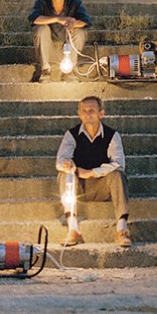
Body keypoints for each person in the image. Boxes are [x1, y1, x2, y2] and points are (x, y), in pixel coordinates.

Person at [56, 96, 132, 248]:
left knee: (117, 174)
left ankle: (121, 229)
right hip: (80, 188)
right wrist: (68, 165)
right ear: (79, 114)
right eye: (84, 111)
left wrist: (92, 172)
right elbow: (60, 161)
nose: (87, 114)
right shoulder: (72, 134)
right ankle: (73, 229)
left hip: (104, 187)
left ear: (101, 113)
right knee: (64, 175)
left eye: (92, 110)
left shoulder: (112, 135)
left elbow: (119, 163)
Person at [29, 0, 92, 83]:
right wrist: (58, 19)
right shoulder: (42, 3)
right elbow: (34, 18)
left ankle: (70, 71)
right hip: (49, 48)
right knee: (41, 28)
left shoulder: (74, 3)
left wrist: (73, 23)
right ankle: (45, 70)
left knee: (80, 31)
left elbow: (86, 21)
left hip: (67, 48)